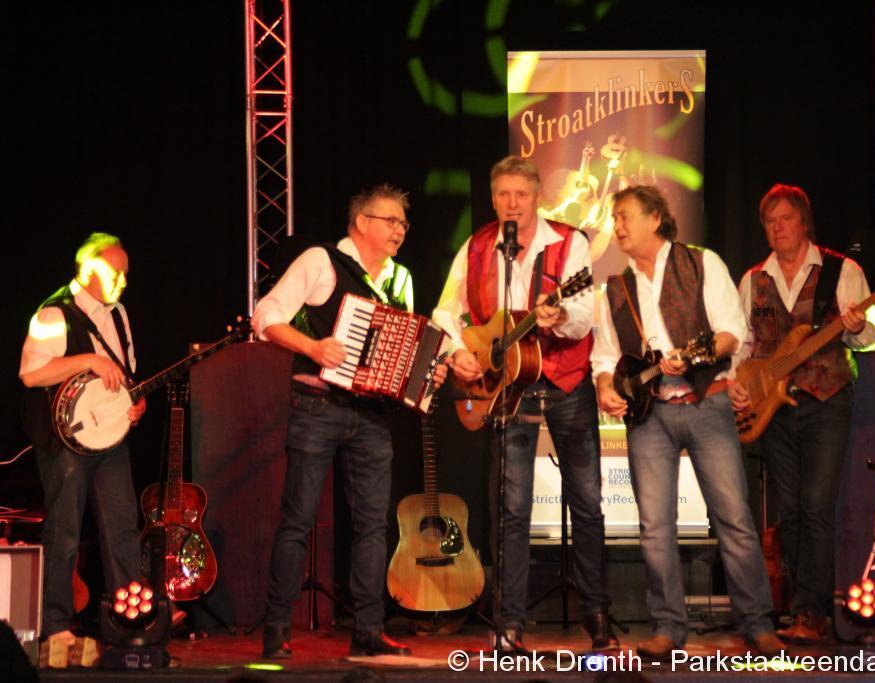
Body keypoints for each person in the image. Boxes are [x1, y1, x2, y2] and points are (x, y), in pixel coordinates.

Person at [254, 184, 446, 658]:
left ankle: (368, 629)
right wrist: (313, 348)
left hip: (372, 415)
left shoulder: (401, 279)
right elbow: (266, 315)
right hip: (317, 406)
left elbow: (403, 346)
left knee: (373, 526)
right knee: (298, 519)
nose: (400, 230)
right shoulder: (322, 261)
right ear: (362, 222)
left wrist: (427, 371)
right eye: (391, 221)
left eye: (404, 223)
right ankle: (276, 627)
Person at [592, 186, 783, 658]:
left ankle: (758, 624)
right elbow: (605, 356)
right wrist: (604, 387)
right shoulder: (614, 288)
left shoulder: (701, 263)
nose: (617, 226)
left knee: (733, 517)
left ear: (655, 219)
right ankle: (667, 627)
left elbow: (731, 332)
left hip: (706, 404)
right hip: (650, 415)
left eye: (625, 216)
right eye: (614, 218)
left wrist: (695, 356)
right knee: (655, 526)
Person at [434, 156, 615, 653]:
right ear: (493, 199)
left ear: (538, 197)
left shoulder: (570, 243)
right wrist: (459, 352)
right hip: (506, 387)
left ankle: (597, 615)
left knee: (587, 500)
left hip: (566, 380)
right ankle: (509, 623)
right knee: (510, 507)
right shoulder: (476, 247)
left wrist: (557, 317)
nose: (512, 203)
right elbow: (445, 312)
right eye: (503, 195)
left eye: (521, 194)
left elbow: (583, 315)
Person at [728, 183, 875, 643]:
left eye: (786, 219)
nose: (777, 228)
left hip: (827, 401)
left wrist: (857, 327)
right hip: (772, 408)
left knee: (816, 505)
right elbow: (741, 343)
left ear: (804, 223)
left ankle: (811, 612)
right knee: (790, 510)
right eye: (770, 221)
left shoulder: (842, 270)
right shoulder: (753, 279)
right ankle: (798, 607)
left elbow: (872, 338)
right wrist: (737, 384)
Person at [20, 232, 146, 646]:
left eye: (126, 273)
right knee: (65, 529)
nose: (123, 282)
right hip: (65, 440)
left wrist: (136, 401)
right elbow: (31, 374)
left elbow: (126, 374)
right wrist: (89, 359)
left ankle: (129, 623)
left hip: (110, 437)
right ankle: (55, 625)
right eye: (116, 273)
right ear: (90, 269)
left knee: (123, 529)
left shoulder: (119, 314)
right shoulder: (53, 314)